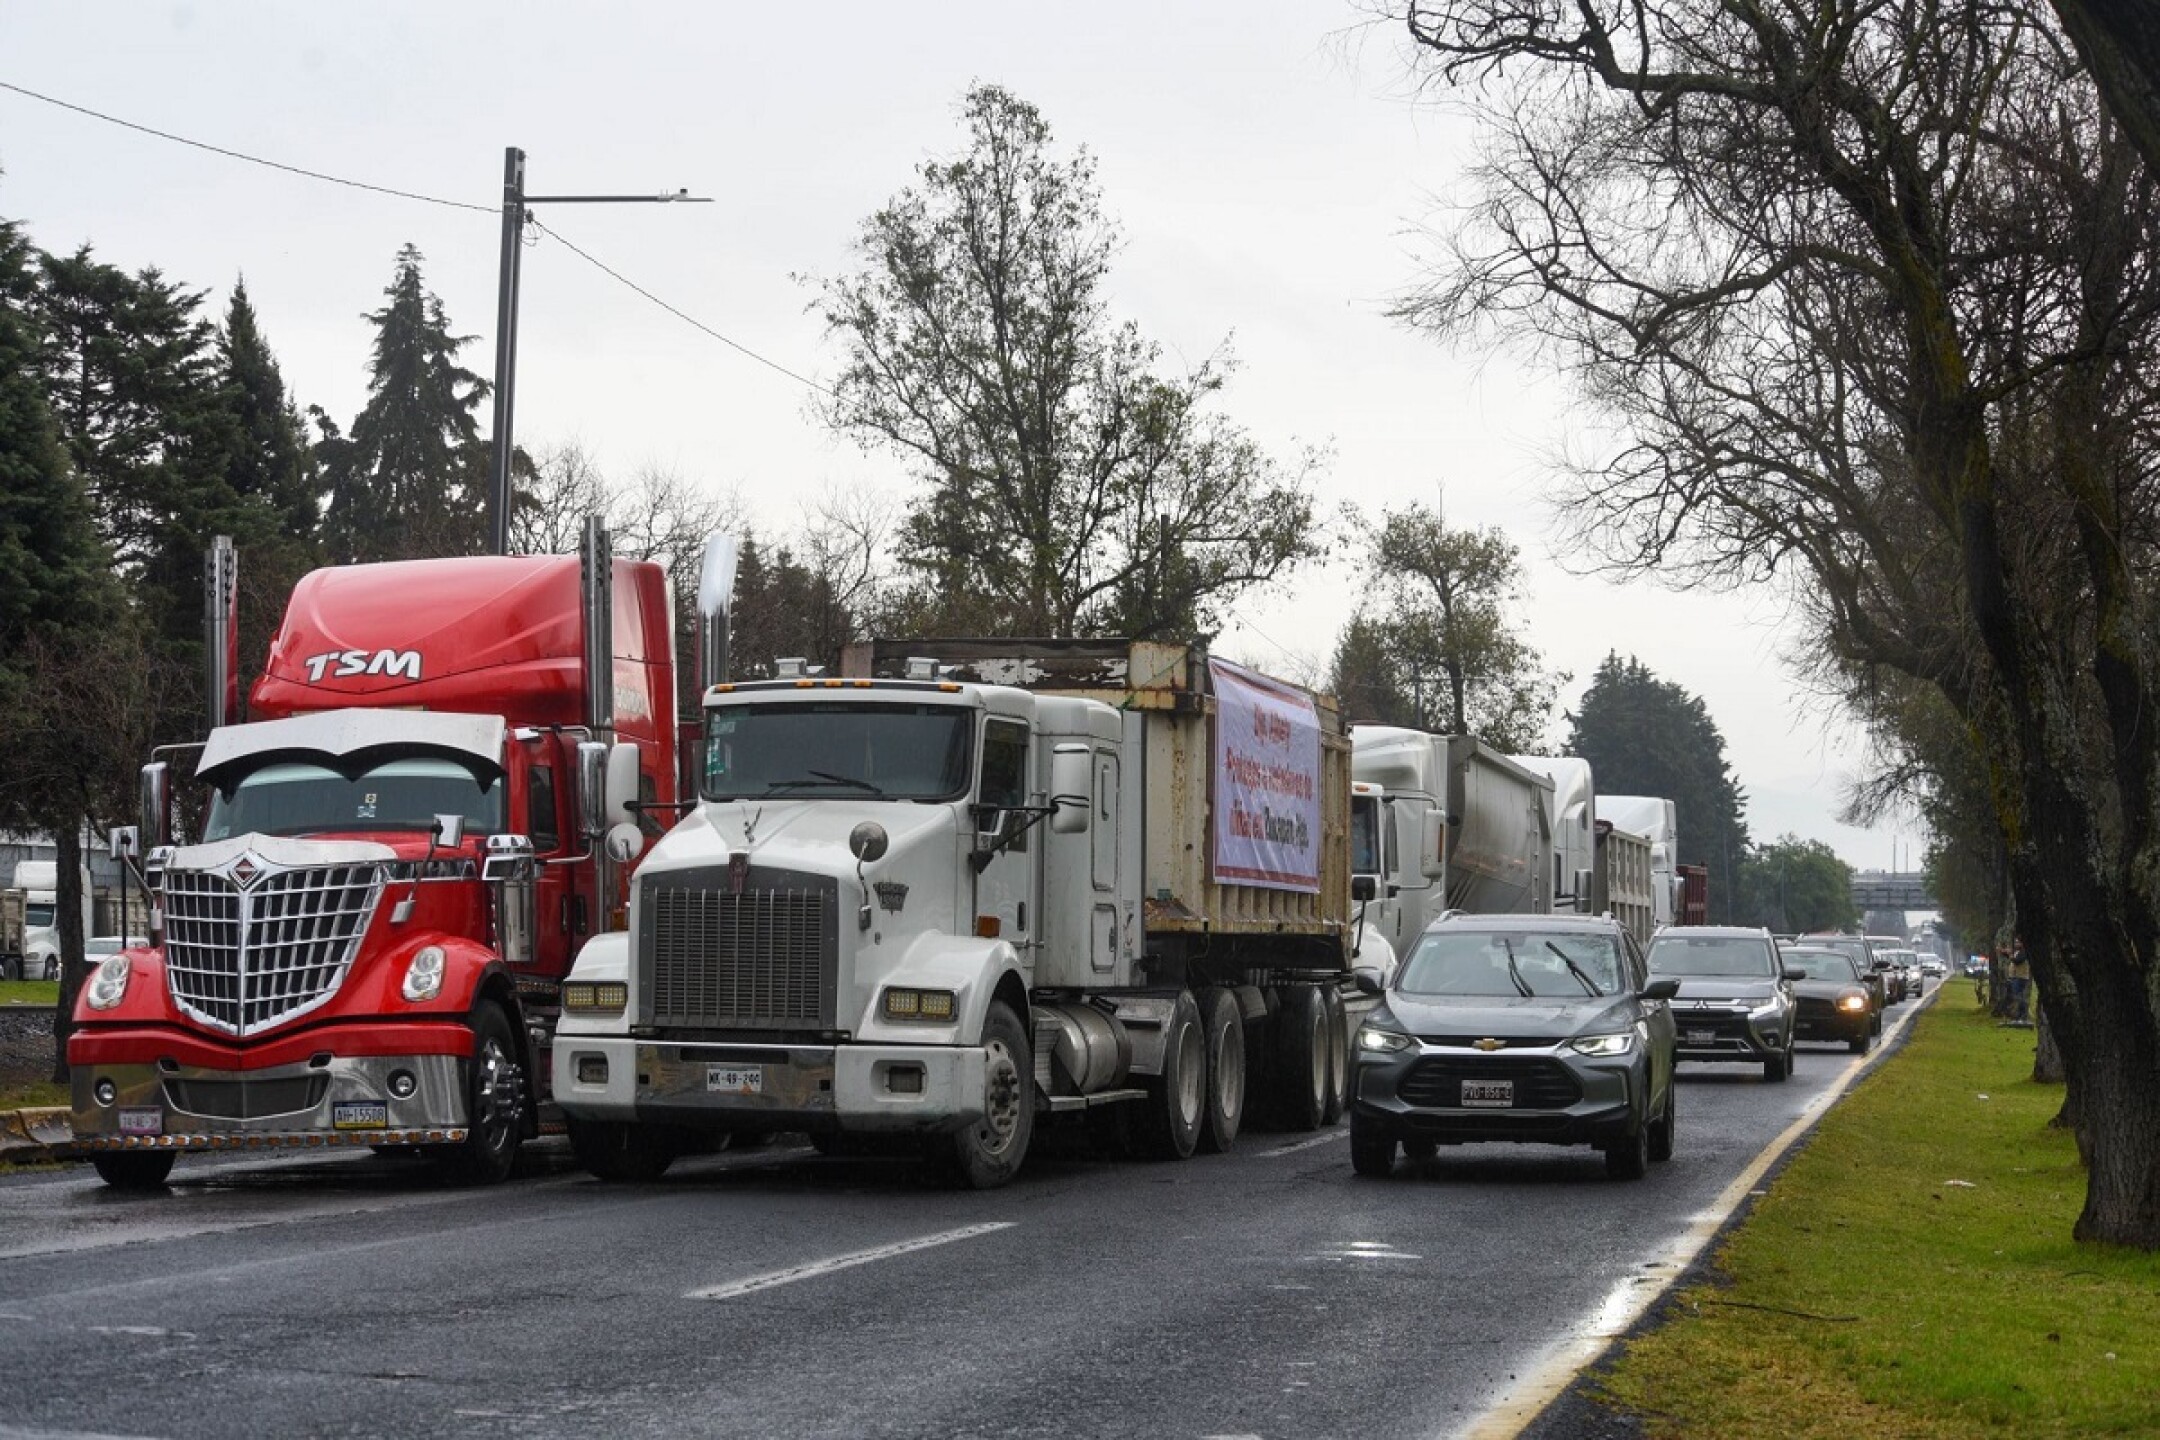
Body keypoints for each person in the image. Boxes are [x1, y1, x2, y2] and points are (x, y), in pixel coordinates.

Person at [2006, 939, 2032, 1025]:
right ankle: (2018, 1016)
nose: (2016, 944)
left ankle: (2022, 1016)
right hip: (2015, 977)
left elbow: (2017, 961)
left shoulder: (2023, 952)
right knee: (2017, 996)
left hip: (2021, 977)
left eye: (2018, 942)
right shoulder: (2017, 952)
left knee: (2019, 997)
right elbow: (2012, 958)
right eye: (2015, 942)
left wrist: (2010, 954)